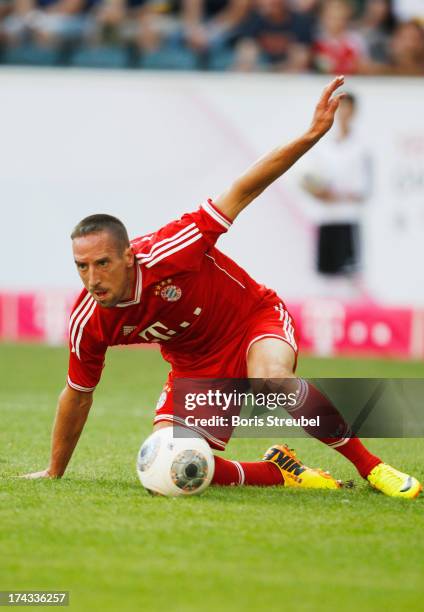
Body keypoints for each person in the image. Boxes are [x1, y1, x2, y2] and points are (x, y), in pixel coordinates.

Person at [23, 77, 421, 499]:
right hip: (197, 369)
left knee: (271, 380)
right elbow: (78, 395)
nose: (92, 278)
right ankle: (281, 471)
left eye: (101, 263)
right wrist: (53, 471)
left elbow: (245, 187)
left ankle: (373, 468)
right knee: (167, 472)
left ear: (128, 257)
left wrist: (310, 135)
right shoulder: (90, 318)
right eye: (81, 267)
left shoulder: (174, 247)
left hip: (252, 321)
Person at [300, 92, 370, 299]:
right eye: (341, 109)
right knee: (325, 275)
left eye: (348, 108)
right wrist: (317, 191)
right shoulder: (323, 145)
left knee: (349, 275)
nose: (343, 114)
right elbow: (308, 179)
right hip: (325, 218)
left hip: (347, 217)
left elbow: (363, 188)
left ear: (354, 112)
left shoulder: (361, 147)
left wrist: (336, 195)